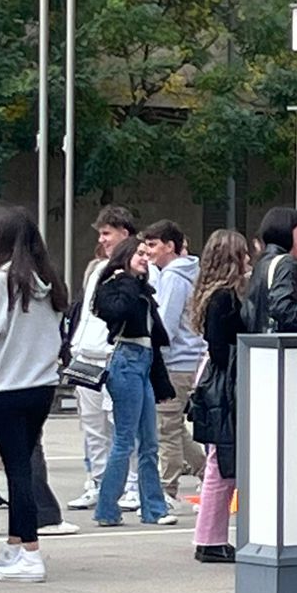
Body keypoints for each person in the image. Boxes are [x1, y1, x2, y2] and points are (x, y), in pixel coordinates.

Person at [0, 206, 68, 581]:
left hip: (6, 384)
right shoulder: (49, 280)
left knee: (17, 469)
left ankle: (30, 551)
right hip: (42, 385)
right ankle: (15, 542)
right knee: (21, 461)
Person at [91, 237, 176, 529]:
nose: (145, 257)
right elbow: (118, 313)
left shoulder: (141, 289)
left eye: (146, 252)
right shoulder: (117, 286)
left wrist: (162, 386)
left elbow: (153, 339)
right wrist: (128, 278)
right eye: (139, 253)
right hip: (125, 361)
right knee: (125, 440)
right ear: (126, 256)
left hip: (143, 361)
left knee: (149, 442)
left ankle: (153, 508)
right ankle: (107, 508)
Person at [68, 207, 138, 512]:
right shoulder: (98, 268)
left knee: (121, 425)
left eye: (107, 233)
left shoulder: (137, 267)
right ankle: (97, 481)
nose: (102, 238)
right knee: (93, 425)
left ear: (124, 233)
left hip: (115, 353)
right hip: (87, 353)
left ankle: (131, 484)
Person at [189, 229, 251, 564]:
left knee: (220, 459)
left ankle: (210, 537)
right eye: (242, 254)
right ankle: (209, 538)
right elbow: (220, 347)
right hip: (224, 380)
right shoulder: (225, 298)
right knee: (220, 461)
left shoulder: (212, 294)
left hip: (214, 376)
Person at [141, 220, 205, 503]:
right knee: (174, 425)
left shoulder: (172, 277)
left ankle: (167, 488)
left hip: (176, 362)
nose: (149, 252)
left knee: (166, 426)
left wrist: (153, 352)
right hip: (192, 358)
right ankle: (203, 468)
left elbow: (165, 324)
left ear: (170, 246)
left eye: (154, 245)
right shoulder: (193, 272)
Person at [245, 206, 297, 333]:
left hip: (259, 347)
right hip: (287, 347)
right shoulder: (287, 263)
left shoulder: (261, 265)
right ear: (287, 232)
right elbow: (282, 307)